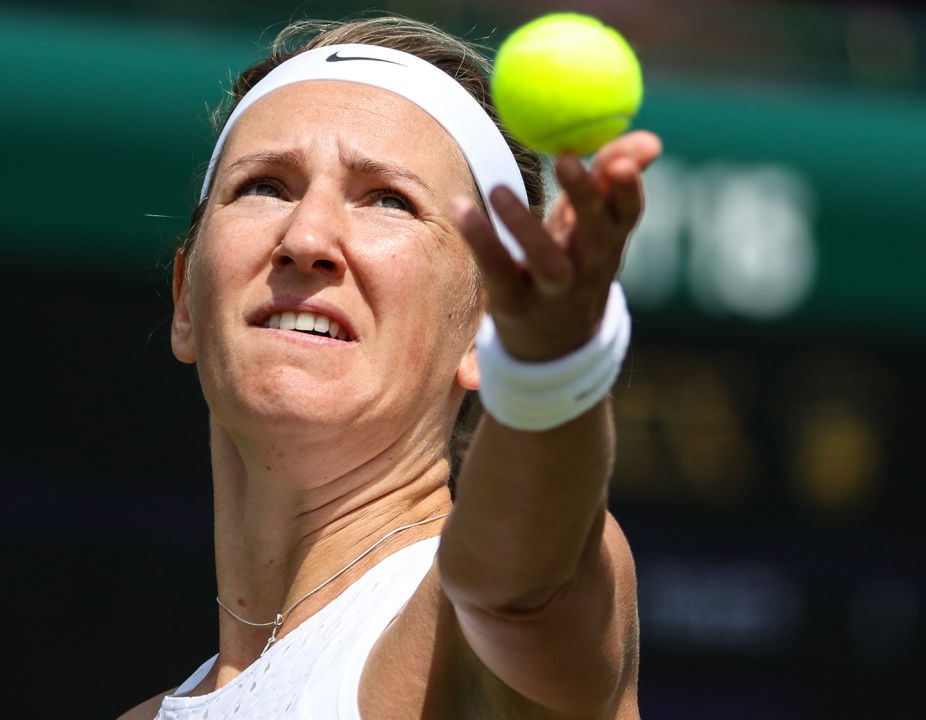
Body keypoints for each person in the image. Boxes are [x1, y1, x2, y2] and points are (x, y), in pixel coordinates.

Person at [121, 15, 662, 720]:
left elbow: (525, 589)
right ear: (186, 298)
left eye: (388, 199)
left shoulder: (459, 619)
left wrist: (548, 369)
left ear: (484, 329)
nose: (307, 237)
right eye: (265, 186)